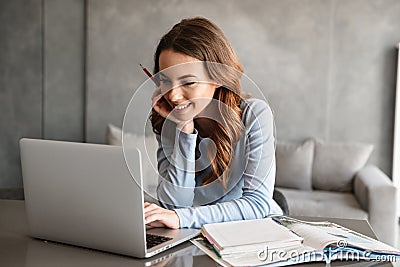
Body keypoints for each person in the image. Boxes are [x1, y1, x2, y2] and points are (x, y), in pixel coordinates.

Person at [144, 17, 282, 229]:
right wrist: (184, 129)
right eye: (165, 80)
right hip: (198, 233)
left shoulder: (254, 114)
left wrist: (181, 218)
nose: (174, 95)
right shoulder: (168, 120)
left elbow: (257, 205)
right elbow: (175, 205)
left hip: (253, 232)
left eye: (188, 82)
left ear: (218, 76)